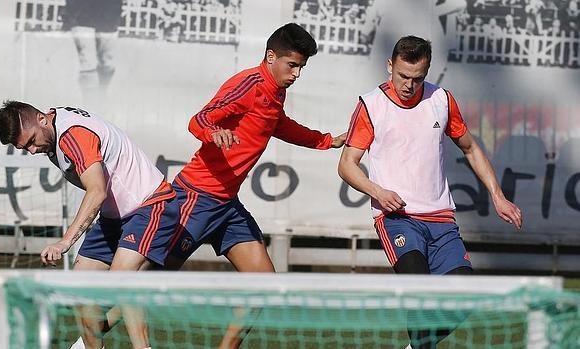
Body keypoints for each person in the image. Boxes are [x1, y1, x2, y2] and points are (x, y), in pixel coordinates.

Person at [337, 36, 522, 349]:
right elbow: (347, 165)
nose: (409, 85)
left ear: (428, 71)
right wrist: (378, 191)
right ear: (390, 66)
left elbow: (471, 147)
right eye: (403, 76)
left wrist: (497, 195)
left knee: (466, 295)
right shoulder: (371, 105)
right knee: (419, 290)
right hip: (397, 218)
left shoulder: (442, 100)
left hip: (441, 220)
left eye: (418, 78)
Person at [171, 22, 346, 348]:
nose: (296, 74)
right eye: (292, 65)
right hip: (195, 198)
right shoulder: (249, 83)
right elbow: (200, 119)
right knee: (142, 282)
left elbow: (279, 124)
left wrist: (327, 141)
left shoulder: (275, 92)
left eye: (301, 67)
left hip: (226, 206)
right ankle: (86, 341)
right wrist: (214, 132)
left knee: (264, 286)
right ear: (270, 57)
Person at [0, 101, 180, 349]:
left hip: (150, 205)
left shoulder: (72, 135)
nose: (31, 151)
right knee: (82, 288)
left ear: (42, 118)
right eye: (24, 148)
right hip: (115, 217)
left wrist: (65, 242)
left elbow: (96, 192)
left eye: (30, 142)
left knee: (121, 282)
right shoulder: (53, 130)